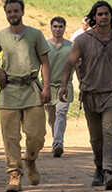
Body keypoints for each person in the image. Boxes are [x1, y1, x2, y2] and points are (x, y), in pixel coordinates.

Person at [60, 0, 112, 190]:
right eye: (99, 14)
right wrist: (63, 86)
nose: (103, 17)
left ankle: (109, 171)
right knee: (95, 138)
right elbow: (69, 64)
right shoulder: (83, 40)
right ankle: (99, 168)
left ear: (111, 16)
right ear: (94, 17)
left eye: (106, 14)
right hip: (90, 94)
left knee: (109, 132)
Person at [0, 0, 51, 192]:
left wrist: (46, 87)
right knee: (10, 137)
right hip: (9, 91)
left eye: (16, 11)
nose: (12, 15)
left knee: (36, 135)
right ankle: (15, 175)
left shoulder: (35, 35)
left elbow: (45, 62)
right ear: (6, 14)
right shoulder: (0, 36)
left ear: (22, 12)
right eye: (9, 12)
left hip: (32, 89)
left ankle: (31, 160)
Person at [45, 16, 74, 158]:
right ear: (51, 28)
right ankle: (56, 140)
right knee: (51, 118)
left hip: (65, 86)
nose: (57, 29)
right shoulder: (44, 46)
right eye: (55, 26)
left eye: (60, 26)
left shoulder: (71, 47)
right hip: (48, 86)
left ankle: (58, 143)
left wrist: (84, 85)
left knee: (61, 113)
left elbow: (78, 68)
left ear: (64, 28)